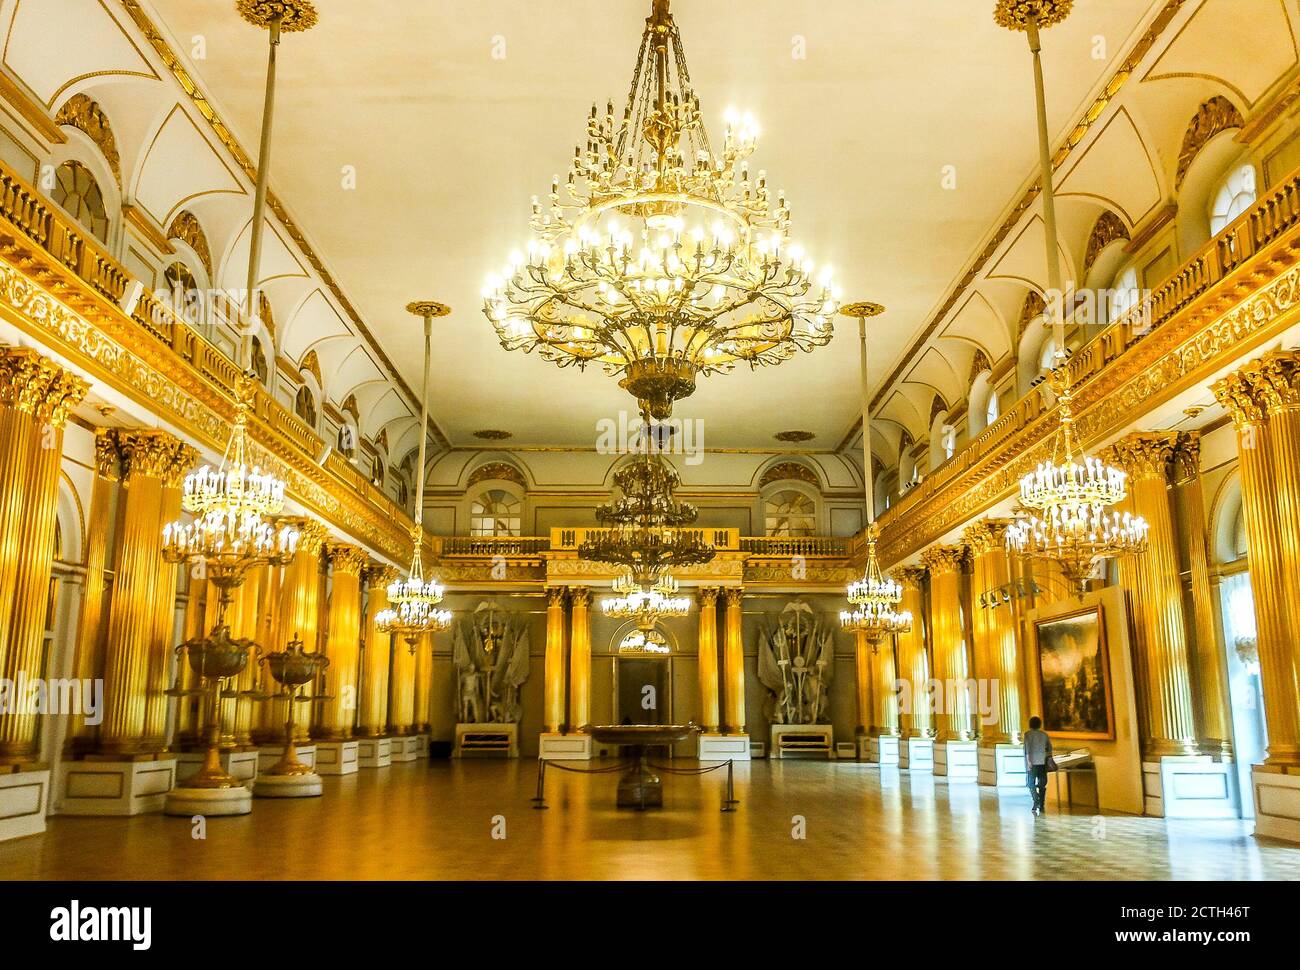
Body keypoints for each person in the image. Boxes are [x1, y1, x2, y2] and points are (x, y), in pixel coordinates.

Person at [1024, 716, 1054, 816]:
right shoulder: (1044, 735)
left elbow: (1027, 749)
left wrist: (1028, 762)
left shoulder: (1028, 734)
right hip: (1042, 761)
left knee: (1030, 783)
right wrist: (1048, 758)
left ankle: (1036, 800)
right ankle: (1042, 805)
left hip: (1032, 762)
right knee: (1042, 784)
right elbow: (1049, 748)